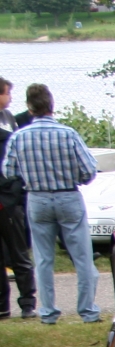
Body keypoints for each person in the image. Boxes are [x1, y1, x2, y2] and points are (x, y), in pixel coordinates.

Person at [1, 84, 97, 325]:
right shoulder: (68, 134)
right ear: (51, 105)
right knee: (82, 256)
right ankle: (87, 310)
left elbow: (8, 171)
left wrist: (29, 175)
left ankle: (48, 311)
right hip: (68, 195)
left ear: (30, 108)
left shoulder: (19, 136)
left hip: (37, 197)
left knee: (44, 259)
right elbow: (88, 170)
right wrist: (74, 177)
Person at [0, 78, 36, 319]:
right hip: (4, 192)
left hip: (10, 198)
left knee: (19, 251)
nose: (10, 97)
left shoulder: (9, 117)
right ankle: (3, 304)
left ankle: (27, 303)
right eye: (7, 93)